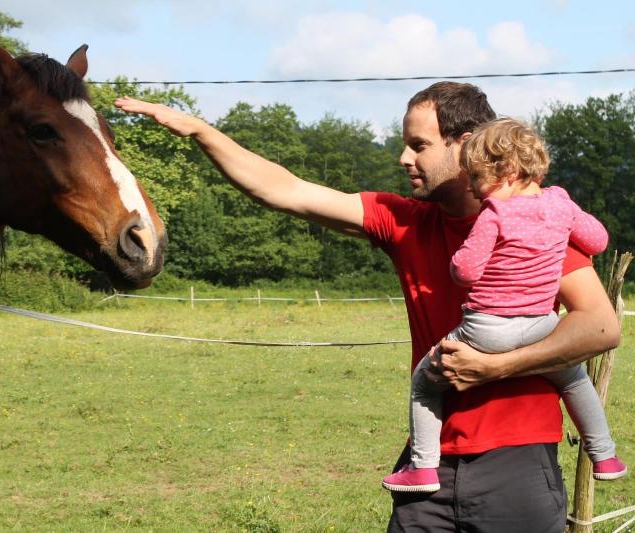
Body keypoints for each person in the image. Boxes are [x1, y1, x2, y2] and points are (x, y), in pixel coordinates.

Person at [115, 82, 620, 532]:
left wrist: (493, 367)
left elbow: (599, 328)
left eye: (419, 145)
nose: (404, 157)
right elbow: (285, 189)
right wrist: (201, 131)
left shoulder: (536, 225)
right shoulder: (404, 221)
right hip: (427, 468)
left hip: (518, 468)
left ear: (464, 147)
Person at [381, 117, 626, 495]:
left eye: (477, 178)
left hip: (488, 329)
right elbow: (597, 240)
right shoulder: (560, 203)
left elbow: (465, 271)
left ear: (507, 172)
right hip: (542, 323)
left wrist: (457, 259)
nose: (475, 190)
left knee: (425, 383)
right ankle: (605, 455)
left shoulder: (494, 214)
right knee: (574, 378)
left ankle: (423, 468)